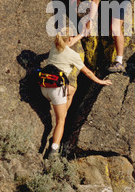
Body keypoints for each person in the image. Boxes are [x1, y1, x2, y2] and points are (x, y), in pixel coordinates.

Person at [40, 27, 112, 156]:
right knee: (61, 121)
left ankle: (62, 109)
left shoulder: (54, 47)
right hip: (57, 90)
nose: (73, 39)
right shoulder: (73, 55)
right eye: (72, 37)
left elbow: (68, 43)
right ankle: (53, 150)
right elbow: (87, 72)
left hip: (44, 87)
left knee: (71, 90)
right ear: (69, 38)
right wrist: (101, 82)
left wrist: (82, 34)